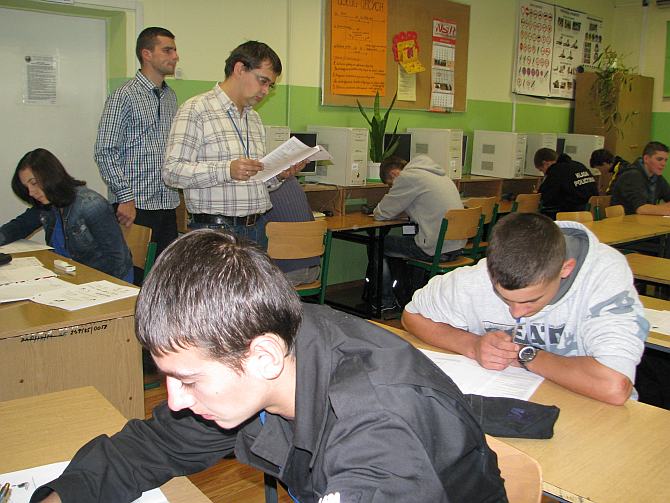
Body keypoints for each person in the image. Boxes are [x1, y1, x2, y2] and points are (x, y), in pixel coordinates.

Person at [32, 229, 507, 502]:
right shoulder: (261, 346)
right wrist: (63, 496)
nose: (174, 401)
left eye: (188, 380)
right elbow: (154, 445)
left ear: (263, 357)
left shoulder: (376, 426)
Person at [403, 212, 647, 406]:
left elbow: (614, 386)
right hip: (515, 398)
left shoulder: (603, 275)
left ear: (565, 269)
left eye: (530, 300)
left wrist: (525, 355)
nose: (516, 313)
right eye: (504, 298)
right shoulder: (479, 277)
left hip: (594, 411)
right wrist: (472, 345)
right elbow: (412, 316)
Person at [162, 41, 303, 247]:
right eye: (263, 81)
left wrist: (278, 175)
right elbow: (172, 172)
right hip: (215, 230)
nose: (265, 91)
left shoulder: (253, 119)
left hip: (256, 228)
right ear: (239, 69)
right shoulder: (196, 110)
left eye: (270, 86)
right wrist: (227, 170)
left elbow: (254, 180)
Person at [94, 27, 180, 257]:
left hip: (167, 202)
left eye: (174, 50)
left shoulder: (171, 97)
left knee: (166, 271)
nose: (175, 56)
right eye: (168, 50)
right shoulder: (124, 96)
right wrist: (125, 197)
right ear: (146, 54)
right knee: (134, 271)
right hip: (133, 205)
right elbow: (105, 151)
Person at [0, 148, 132, 281]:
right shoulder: (47, 203)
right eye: (26, 187)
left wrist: (83, 281)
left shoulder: (92, 205)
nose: (31, 192)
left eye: (34, 183)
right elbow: (20, 226)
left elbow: (117, 261)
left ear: (51, 176)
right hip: (67, 275)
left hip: (104, 280)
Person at [371, 154, 464, 309]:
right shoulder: (438, 175)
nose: (392, 188)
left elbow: (381, 213)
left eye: (390, 185)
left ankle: (385, 301)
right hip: (456, 246)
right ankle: (410, 295)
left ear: (394, 174)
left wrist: (379, 209)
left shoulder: (407, 178)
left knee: (377, 243)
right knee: (408, 240)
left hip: (436, 249)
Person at [260, 175, 320, 286]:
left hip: (282, 274)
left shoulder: (259, 188)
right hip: (313, 271)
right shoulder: (293, 181)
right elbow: (311, 221)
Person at [534, 148, 599, 220]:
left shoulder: (555, 170)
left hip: (571, 214)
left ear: (545, 163)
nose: (543, 173)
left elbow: (544, 197)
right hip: (591, 213)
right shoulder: (579, 165)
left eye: (541, 170)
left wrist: (538, 191)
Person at [610, 141, 670, 216]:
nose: (663, 164)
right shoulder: (632, 175)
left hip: (643, 220)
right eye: (659, 159)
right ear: (646, 158)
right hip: (624, 221)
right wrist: (664, 208)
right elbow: (641, 209)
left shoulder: (657, 177)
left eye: (665, 160)